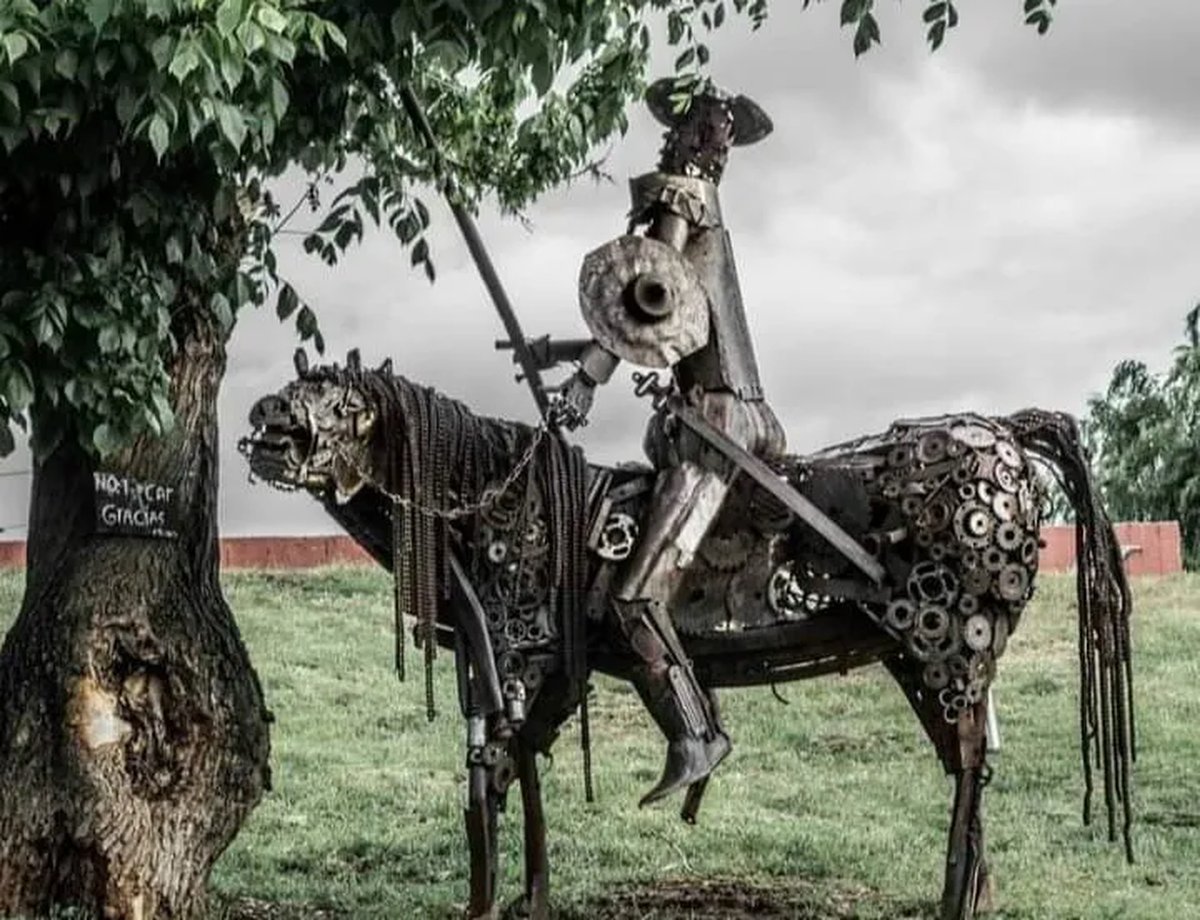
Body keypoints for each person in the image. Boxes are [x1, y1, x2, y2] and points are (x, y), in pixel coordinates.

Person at [550, 79, 787, 806]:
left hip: (716, 425)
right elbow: (656, 309)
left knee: (634, 599)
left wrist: (588, 378)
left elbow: (649, 294)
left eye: (719, 133)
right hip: (729, 417)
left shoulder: (682, 198)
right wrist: (565, 349)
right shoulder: (698, 200)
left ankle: (695, 735)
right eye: (705, 129)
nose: (711, 144)